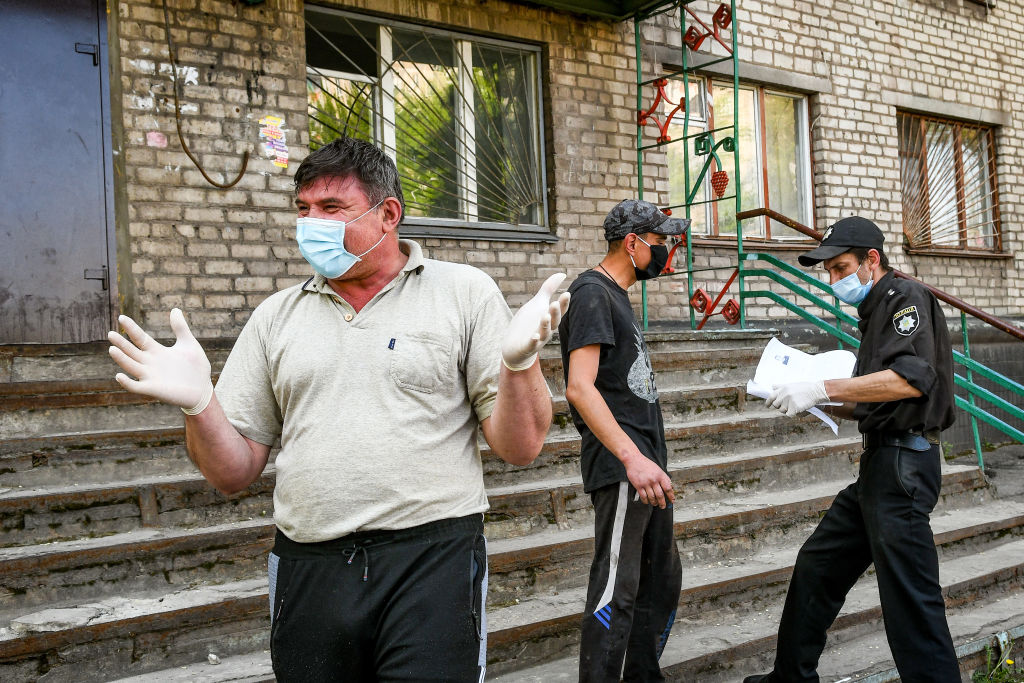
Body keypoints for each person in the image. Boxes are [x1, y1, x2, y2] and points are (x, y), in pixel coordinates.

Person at [107, 137, 570, 682]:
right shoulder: (276, 316)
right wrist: (199, 403)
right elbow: (232, 473)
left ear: (388, 214)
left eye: (331, 208)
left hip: (432, 557)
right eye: (303, 209)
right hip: (310, 562)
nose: (311, 224)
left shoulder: (463, 293)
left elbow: (521, 448)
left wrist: (519, 365)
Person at [745, 216, 959, 683]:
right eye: (829, 272)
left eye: (841, 268)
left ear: (871, 260)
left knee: (912, 603)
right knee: (818, 566)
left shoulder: (904, 298)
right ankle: (790, 677)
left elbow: (910, 380)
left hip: (904, 467)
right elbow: (875, 399)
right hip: (880, 466)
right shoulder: (875, 311)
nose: (834, 280)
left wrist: (821, 387)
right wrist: (811, 398)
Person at [557, 199, 688, 682]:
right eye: (661, 242)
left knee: (660, 580)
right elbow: (579, 387)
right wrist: (632, 459)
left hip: (646, 467)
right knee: (616, 589)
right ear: (632, 243)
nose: (668, 252)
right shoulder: (591, 293)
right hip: (623, 467)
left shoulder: (616, 295)